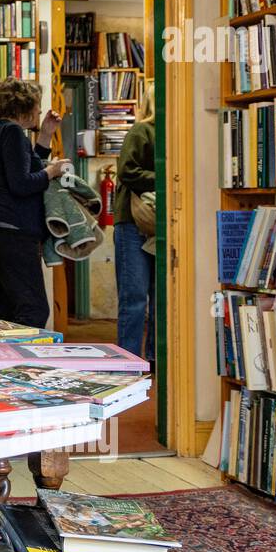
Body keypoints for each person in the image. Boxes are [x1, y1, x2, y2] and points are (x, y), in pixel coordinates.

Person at [0, 79, 64, 330]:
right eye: (37, 106)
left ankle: (7, 362)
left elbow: (26, 165)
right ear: (25, 108)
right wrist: (52, 173)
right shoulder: (12, 132)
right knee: (33, 309)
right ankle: (20, 362)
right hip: (16, 233)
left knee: (11, 309)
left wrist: (45, 135)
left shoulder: (5, 131)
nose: (39, 111)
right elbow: (21, 183)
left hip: (8, 231)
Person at [114, 85, 156, 359]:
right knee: (135, 298)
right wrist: (164, 176)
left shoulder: (171, 131)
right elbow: (126, 171)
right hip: (133, 222)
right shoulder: (141, 131)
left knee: (159, 298)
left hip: (157, 222)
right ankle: (128, 361)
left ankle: (154, 358)